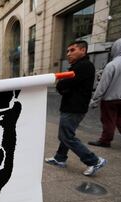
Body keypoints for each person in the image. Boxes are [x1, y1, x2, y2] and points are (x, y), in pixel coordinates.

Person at [45, 40, 107, 176]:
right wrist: (63, 86)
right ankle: (60, 158)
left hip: (74, 107)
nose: (68, 54)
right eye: (67, 51)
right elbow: (64, 86)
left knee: (66, 136)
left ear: (83, 50)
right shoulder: (78, 66)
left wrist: (62, 86)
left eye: (72, 50)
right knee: (66, 134)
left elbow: (62, 85)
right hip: (72, 105)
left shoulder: (84, 66)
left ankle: (94, 161)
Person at [88, 38, 121, 149]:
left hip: (110, 98)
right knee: (120, 117)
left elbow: (102, 85)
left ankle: (105, 140)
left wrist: (94, 100)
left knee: (108, 120)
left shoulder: (112, 65)